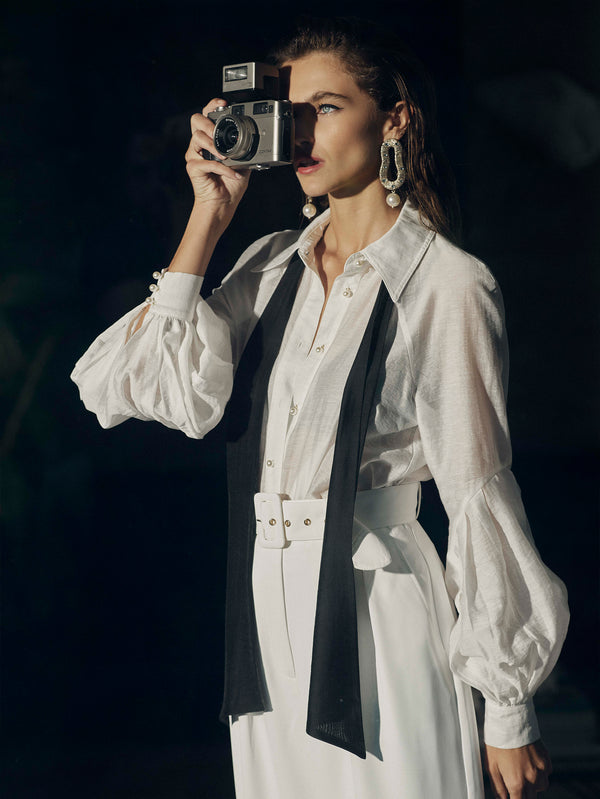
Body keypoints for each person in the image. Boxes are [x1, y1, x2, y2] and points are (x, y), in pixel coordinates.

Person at [71, 16, 569, 799]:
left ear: (394, 118)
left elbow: (477, 489)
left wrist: (508, 707)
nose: (302, 133)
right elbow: (130, 386)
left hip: (377, 607)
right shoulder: (270, 268)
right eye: (290, 113)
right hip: (265, 624)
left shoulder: (446, 284)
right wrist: (207, 216)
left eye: (327, 108)